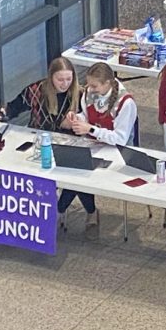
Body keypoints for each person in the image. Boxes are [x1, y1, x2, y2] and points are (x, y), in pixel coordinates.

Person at [62, 62, 138, 227]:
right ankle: (71, 209)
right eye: (89, 84)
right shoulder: (89, 92)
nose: (90, 89)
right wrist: (77, 118)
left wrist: (91, 129)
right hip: (94, 145)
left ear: (108, 83)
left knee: (80, 171)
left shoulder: (126, 103)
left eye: (94, 86)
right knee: (74, 167)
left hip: (118, 152)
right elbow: (86, 115)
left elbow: (120, 139)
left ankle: (60, 209)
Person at [0, 56, 79, 131]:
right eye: (60, 80)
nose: (65, 84)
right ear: (51, 77)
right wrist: (3, 113)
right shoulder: (36, 90)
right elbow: (15, 107)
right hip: (38, 135)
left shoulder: (80, 93)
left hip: (69, 140)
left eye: (69, 79)